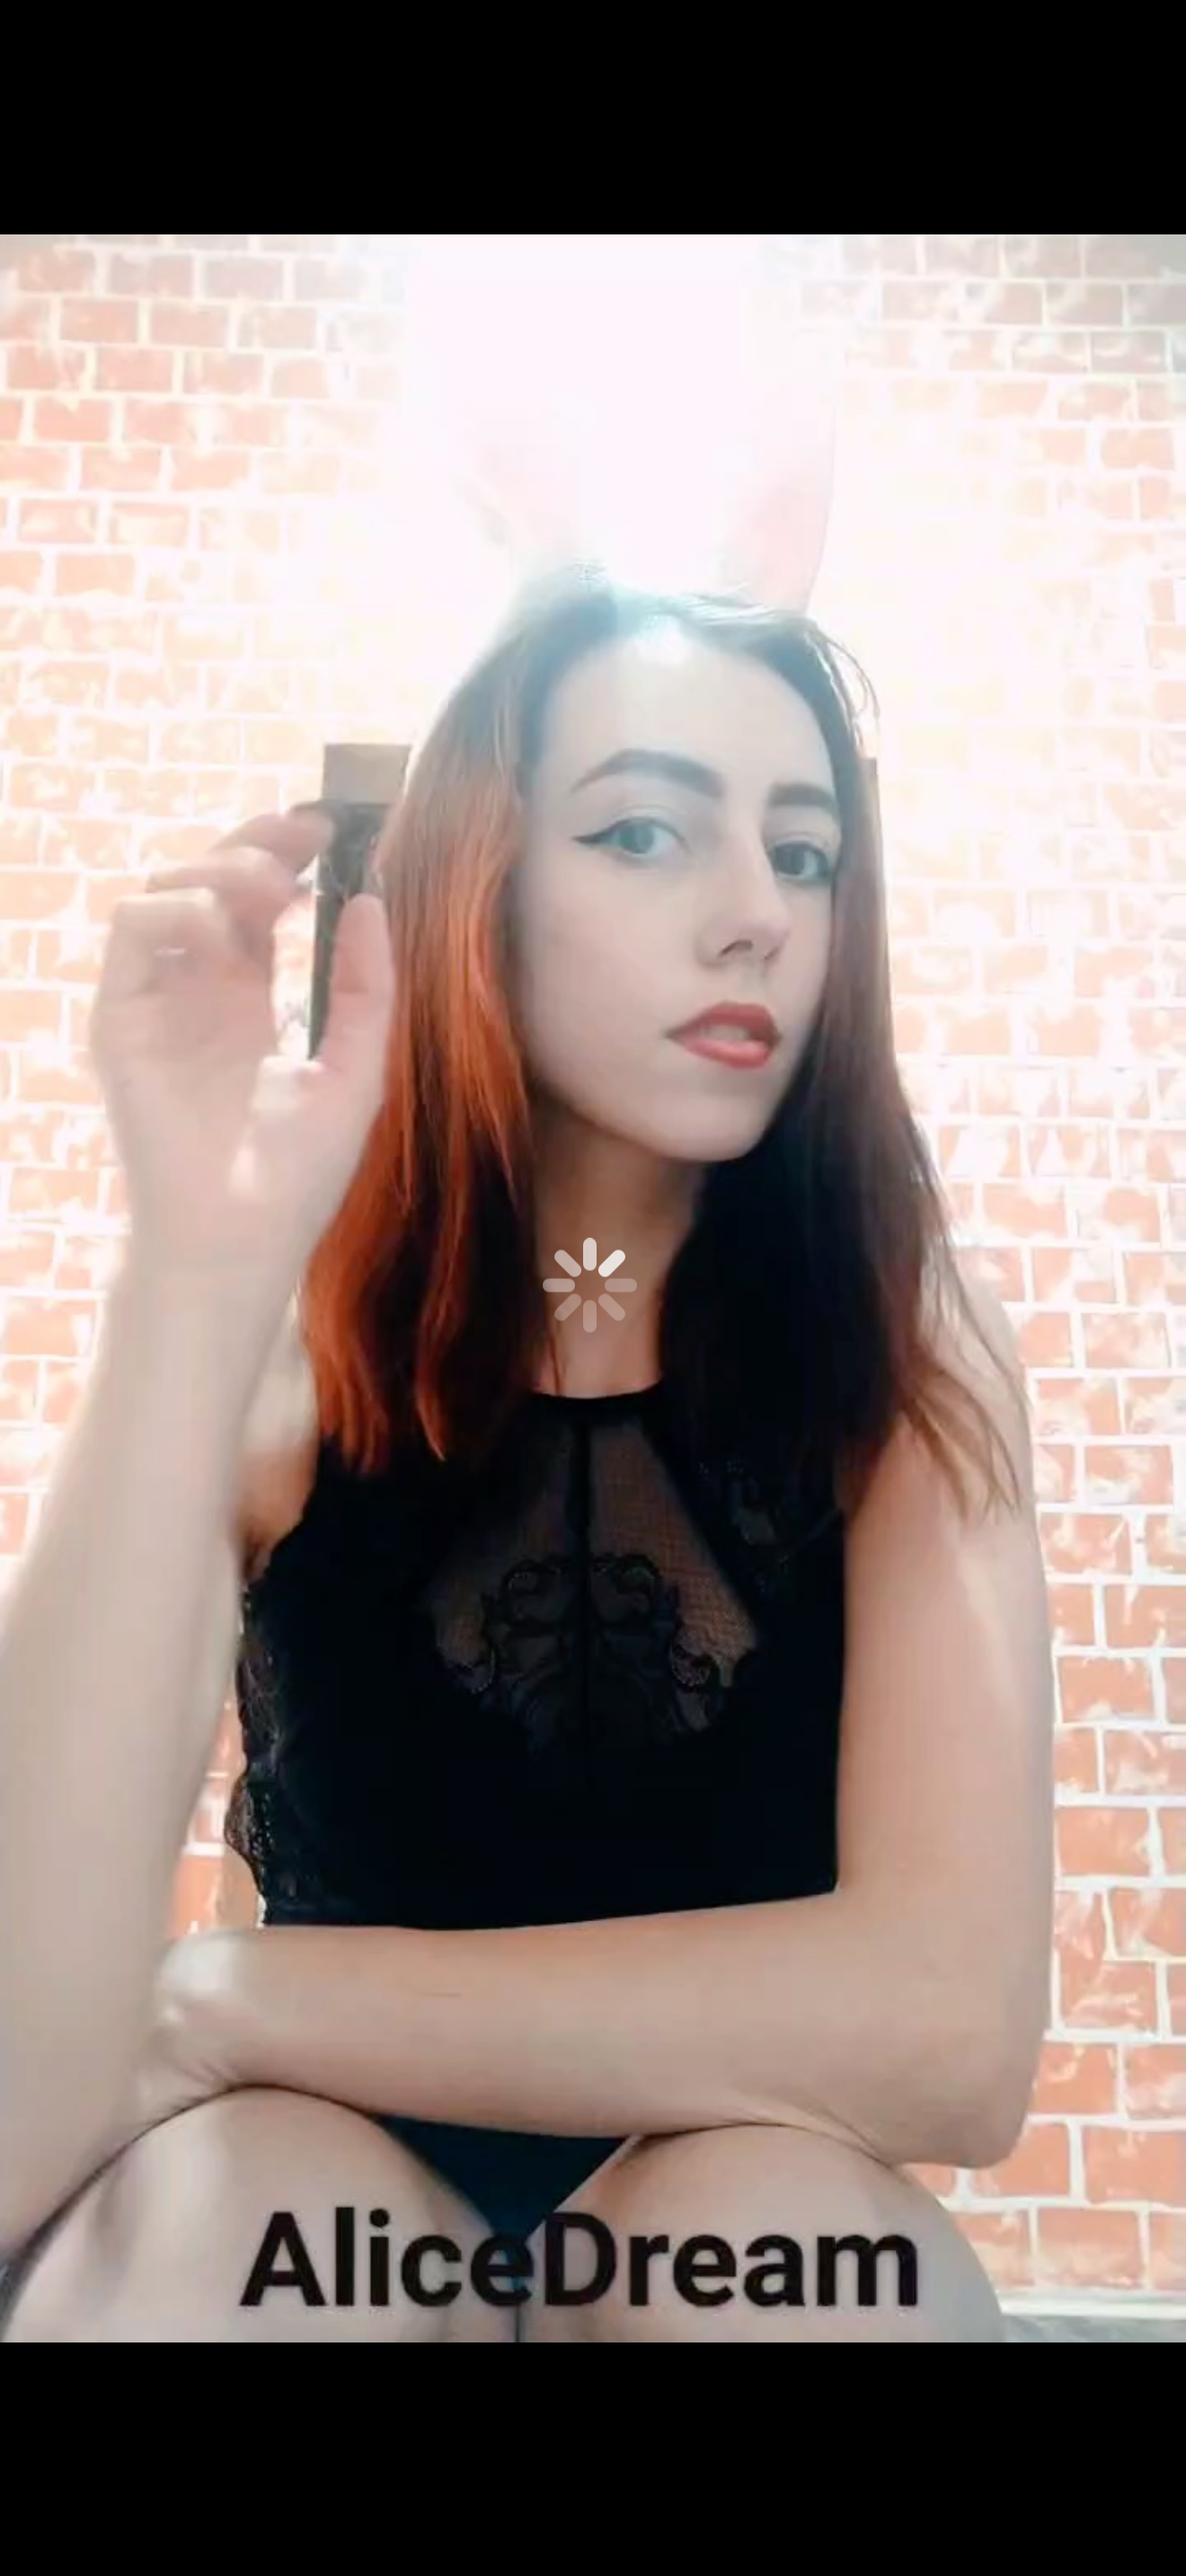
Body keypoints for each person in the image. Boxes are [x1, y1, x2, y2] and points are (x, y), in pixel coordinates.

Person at [0, 570, 1054, 2342]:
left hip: (731, 2218)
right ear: (472, 886)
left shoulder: (901, 1340)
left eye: (805, 855)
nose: (758, 918)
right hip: (312, 2218)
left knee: (782, 2253)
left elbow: (952, 2035)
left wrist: (216, 2002)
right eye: (645, 831)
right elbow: (20, 2087)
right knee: (235, 2224)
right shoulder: (284, 1341)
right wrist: (185, 1280)